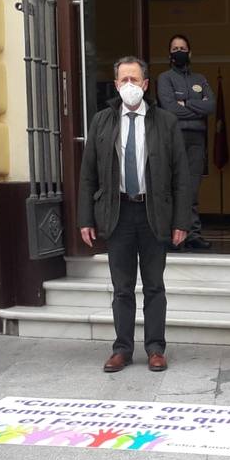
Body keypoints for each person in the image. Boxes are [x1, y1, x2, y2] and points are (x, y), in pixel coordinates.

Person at [78, 56, 189, 373]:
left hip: (154, 212)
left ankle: (156, 348)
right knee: (122, 287)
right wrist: (86, 218)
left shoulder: (165, 122)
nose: (129, 85)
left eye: (134, 79)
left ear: (145, 84)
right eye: (123, 80)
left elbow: (181, 175)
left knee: (155, 286)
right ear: (116, 85)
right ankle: (122, 349)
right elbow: (88, 175)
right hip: (118, 213)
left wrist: (181, 221)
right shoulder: (102, 121)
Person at [156, 34, 214, 249]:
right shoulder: (165, 78)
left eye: (182, 47)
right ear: (169, 53)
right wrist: (196, 106)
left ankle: (193, 234)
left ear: (190, 53)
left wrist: (185, 103)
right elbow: (170, 109)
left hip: (197, 139)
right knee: (174, 186)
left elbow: (211, 106)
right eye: (174, 48)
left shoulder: (200, 79)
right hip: (174, 138)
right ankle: (174, 234)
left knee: (192, 188)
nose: (178, 51)